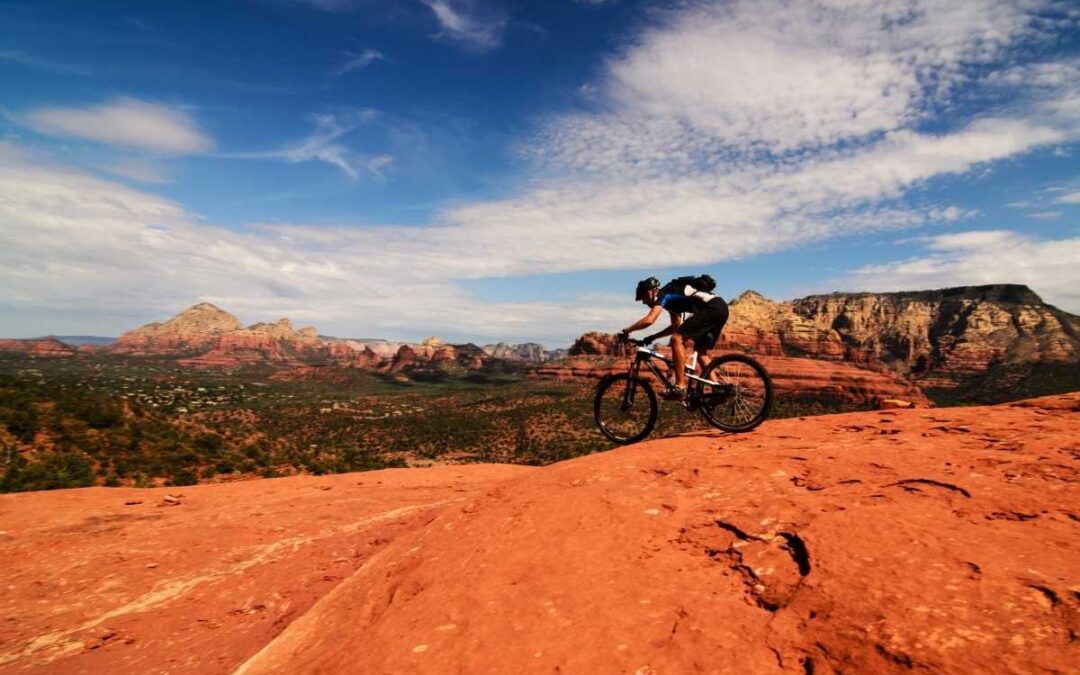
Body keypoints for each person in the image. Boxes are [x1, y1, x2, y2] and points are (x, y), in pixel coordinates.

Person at [619, 275, 729, 400]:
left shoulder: (664, 294)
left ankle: (680, 386)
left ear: (651, 291)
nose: (644, 302)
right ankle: (717, 390)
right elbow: (675, 327)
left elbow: (649, 320)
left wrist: (627, 330)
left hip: (711, 309)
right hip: (721, 308)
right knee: (701, 352)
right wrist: (652, 337)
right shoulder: (672, 302)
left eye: (643, 298)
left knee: (676, 339)